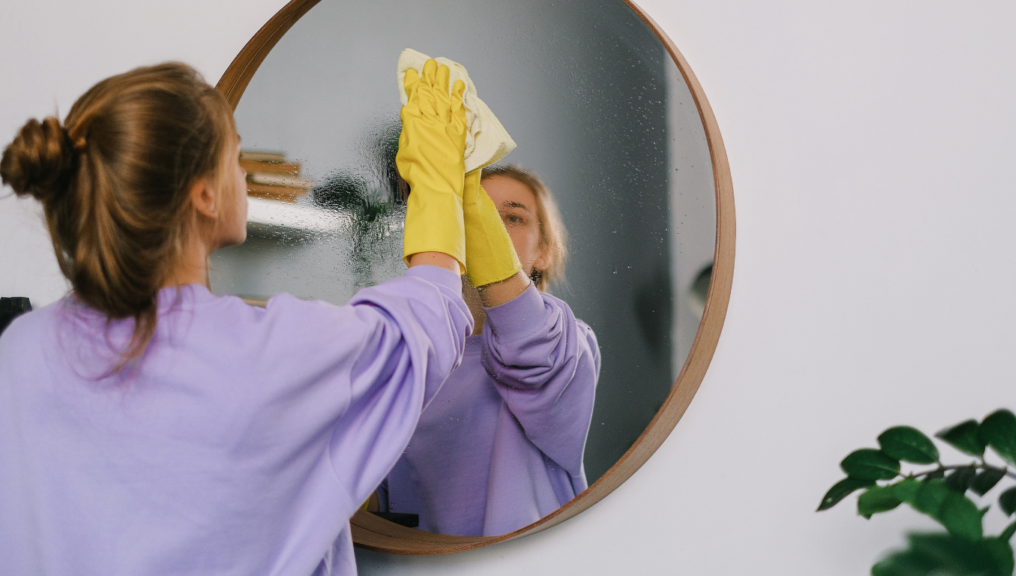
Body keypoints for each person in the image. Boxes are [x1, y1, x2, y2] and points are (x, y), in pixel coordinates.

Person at [0, 60, 507, 575]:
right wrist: (439, 184)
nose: (242, 173)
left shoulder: (19, 351)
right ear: (203, 193)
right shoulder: (272, 354)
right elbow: (422, 330)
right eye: (233, 155)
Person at [374, 165, 601, 537]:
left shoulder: (568, 342)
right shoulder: (409, 353)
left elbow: (528, 349)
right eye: (472, 213)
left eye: (512, 218)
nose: (489, 230)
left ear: (542, 252)